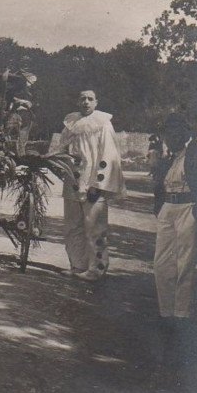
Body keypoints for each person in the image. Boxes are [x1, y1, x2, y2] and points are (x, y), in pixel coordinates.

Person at [59, 89, 125, 281]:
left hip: (93, 183)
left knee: (95, 228)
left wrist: (98, 184)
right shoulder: (71, 123)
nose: (86, 102)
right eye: (82, 99)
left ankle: (96, 268)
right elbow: (62, 148)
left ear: (96, 102)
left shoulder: (103, 124)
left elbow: (109, 155)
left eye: (90, 99)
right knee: (73, 226)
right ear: (77, 102)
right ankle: (77, 264)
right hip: (73, 181)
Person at [153, 114, 197, 323]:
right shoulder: (166, 159)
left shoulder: (194, 156)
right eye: (168, 132)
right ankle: (166, 310)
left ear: (185, 135)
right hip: (168, 207)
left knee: (185, 261)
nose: (172, 136)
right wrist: (159, 208)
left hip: (188, 207)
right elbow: (158, 186)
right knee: (161, 262)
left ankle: (181, 312)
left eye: (177, 132)